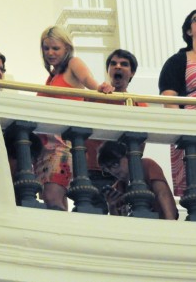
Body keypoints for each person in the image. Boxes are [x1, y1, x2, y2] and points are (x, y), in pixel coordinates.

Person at [35, 25, 113, 210]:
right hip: (46, 146)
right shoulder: (52, 77)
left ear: (67, 48)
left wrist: (100, 88)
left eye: (55, 48)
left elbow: (88, 82)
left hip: (62, 144)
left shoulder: (73, 63)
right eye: (46, 48)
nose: (50, 53)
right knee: (53, 199)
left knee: (53, 197)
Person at [85, 49, 148, 212]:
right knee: (92, 215)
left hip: (122, 174)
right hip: (93, 170)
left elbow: (140, 146)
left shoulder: (139, 105)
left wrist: (127, 174)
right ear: (108, 70)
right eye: (113, 64)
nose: (117, 67)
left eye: (124, 64)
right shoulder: (95, 97)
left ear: (132, 72)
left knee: (121, 217)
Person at [158, 9, 196, 198]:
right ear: (189, 30)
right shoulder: (178, 61)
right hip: (190, 126)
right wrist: (181, 126)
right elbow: (169, 99)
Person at [98, 141, 178, 220]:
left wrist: (170, 221)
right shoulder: (117, 188)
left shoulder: (146, 165)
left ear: (128, 156)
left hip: (161, 221)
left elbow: (162, 193)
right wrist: (111, 206)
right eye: (107, 169)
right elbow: (118, 224)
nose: (112, 171)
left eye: (115, 164)